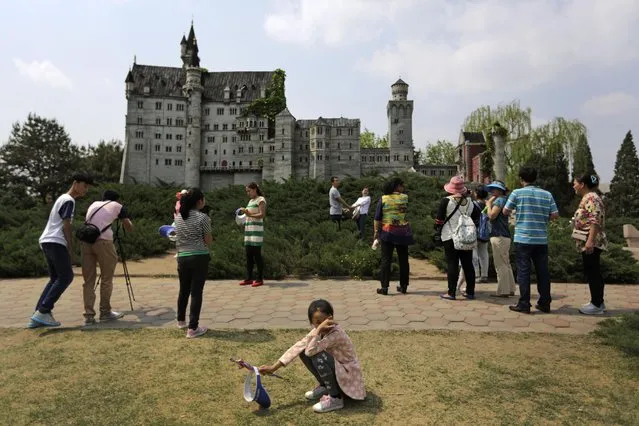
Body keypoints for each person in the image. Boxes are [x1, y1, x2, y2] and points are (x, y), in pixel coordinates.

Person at [258, 299, 365, 413]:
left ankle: (336, 398)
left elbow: (310, 351)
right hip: (339, 371)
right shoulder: (317, 331)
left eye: (324, 320)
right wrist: (273, 367)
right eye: (318, 322)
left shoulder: (335, 333)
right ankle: (325, 387)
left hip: (347, 375)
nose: (322, 324)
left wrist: (318, 329)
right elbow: (298, 347)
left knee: (317, 355)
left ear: (331, 318)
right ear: (312, 322)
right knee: (303, 350)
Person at [28, 172, 93, 328]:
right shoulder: (69, 200)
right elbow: (66, 224)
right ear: (75, 183)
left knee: (55, 278)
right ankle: (43, 311)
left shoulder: (61, 198)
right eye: (85, 186)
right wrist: (70, 248)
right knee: (66, 276)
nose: (86, 190)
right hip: (56, 241)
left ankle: (39, 314)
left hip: (46, 241)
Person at [503, 167, 559, 314]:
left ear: (522, 179)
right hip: (541, 238)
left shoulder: (517, 193)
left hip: (523, 237)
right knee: (543, 271)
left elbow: (505, 211)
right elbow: (554, 215)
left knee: (523, 271)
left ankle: (524, 303)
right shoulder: (547, 194)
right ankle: (545, 303)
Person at [80, 190, 134, 326]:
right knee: (106, 279)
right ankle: (105, 313)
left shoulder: (93, 204)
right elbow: (129, 228)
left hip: (86, 242)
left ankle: (89, 316)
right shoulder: (117, 206)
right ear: (117, 199)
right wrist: (123, 219)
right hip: (104, 243)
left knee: (88, 281)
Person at [174, 188, 212, 338]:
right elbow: (208, 240)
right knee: (196, 292)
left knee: (183, 290)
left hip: (182, 256)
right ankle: (193, 328)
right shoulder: (203, 218)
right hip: (199, 256)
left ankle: (181, 321)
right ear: (199, 201)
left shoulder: (178, 217)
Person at [436, 176, 480, 300]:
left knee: (452, 264)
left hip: (449, 236)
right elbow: (477, 217)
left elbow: (439, 220)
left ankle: (451, 292)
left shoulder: (446, 201)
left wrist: (437, 228)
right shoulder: (470, 202)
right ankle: (470, 292)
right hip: (466, 236)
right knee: (467, 264)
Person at [572, 173, 608, 315]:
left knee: (593, 272)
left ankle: (597, 304)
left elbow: (595, 220)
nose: (573, 186)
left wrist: (590, 241)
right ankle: (597, 301)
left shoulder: (592, 198)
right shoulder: (589, 198)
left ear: (582, 185)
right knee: (592, 271)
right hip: (588, 240)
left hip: (591, 241)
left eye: (575, 183)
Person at [373, 178, 415, 295]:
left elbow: (377, 218)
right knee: (403, 260)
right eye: (402, 185)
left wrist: (376, 232)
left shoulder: (383, 199)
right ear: (397, 186)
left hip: (387, 232)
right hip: (403, 233)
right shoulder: (405, 198)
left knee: (386, 260)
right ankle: (404, 286)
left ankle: (384, 287)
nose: (403, 188)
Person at [485, 181, 517, 297]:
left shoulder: (499, 200)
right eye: (492, 188)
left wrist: (489, 205)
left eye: (495, 189)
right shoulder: (505, 200)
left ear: (500, 190)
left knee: (500, 264)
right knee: (506, 263)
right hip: (505, 236)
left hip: (498, 236)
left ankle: (503, 291)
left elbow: (492, 215)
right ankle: (511, 288)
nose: (492, 191)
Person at [457, 185, 490, 289]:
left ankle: (476, 274)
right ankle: (484, 274)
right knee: (484, 253)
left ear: (476, 194)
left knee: (473, 254)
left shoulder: (473, 204)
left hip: (474, 231)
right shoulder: (488, 204)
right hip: (485, 231)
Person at [238, 182, 267, 287]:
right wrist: (242, 219)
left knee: (257, 256)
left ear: (255, 189)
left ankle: (260, 279)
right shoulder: (250, 201)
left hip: (256, 231)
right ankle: (249, 278)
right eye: (247, 191)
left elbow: (262, 215)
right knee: (248, 255)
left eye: (249, 191)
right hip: (249, 231)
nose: (248, 193)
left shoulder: (261, 200)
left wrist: (249, 214)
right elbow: (248, 215)